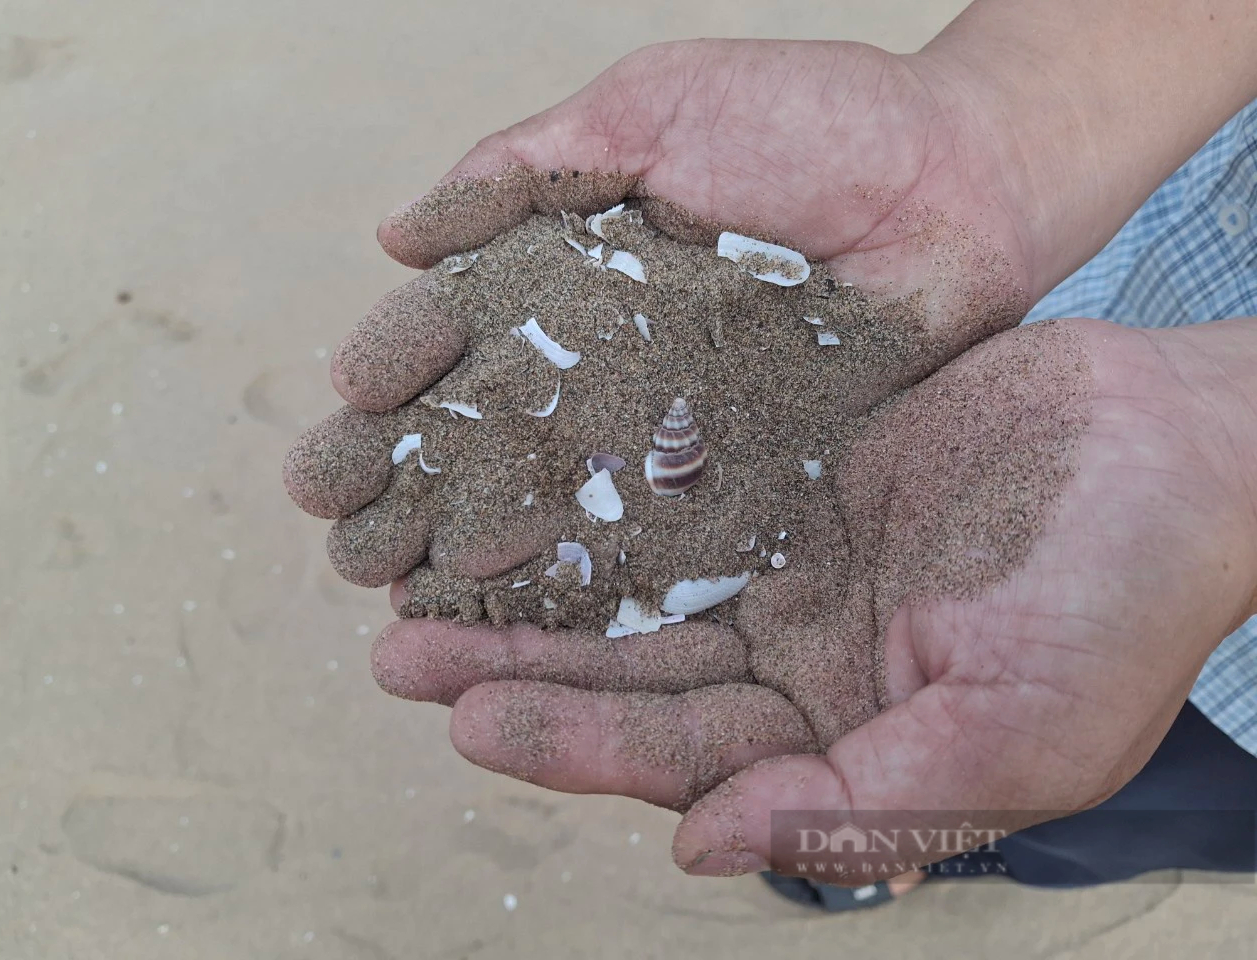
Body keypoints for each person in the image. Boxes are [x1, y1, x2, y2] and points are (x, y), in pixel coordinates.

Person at [319, 0, 1257, 910]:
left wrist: (1225, 454)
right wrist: (994, 119)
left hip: (1224, 663)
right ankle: (922, 847)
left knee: (1081, 790)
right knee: (936, 733)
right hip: (1094, 251)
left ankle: (960, 854)